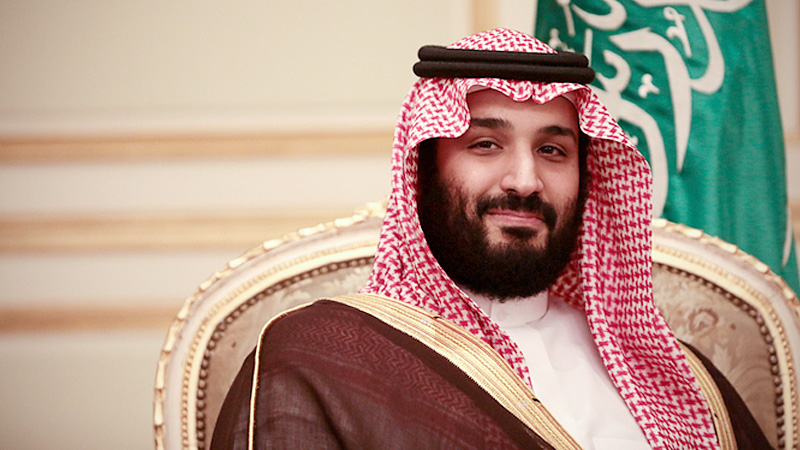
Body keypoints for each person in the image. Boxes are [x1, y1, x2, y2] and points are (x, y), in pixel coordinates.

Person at [211, 28, 769, 449]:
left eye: (553, 150)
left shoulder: (673, 375)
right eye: (484, 145)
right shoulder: (319, 357)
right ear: (423, 171)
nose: (525, 181)